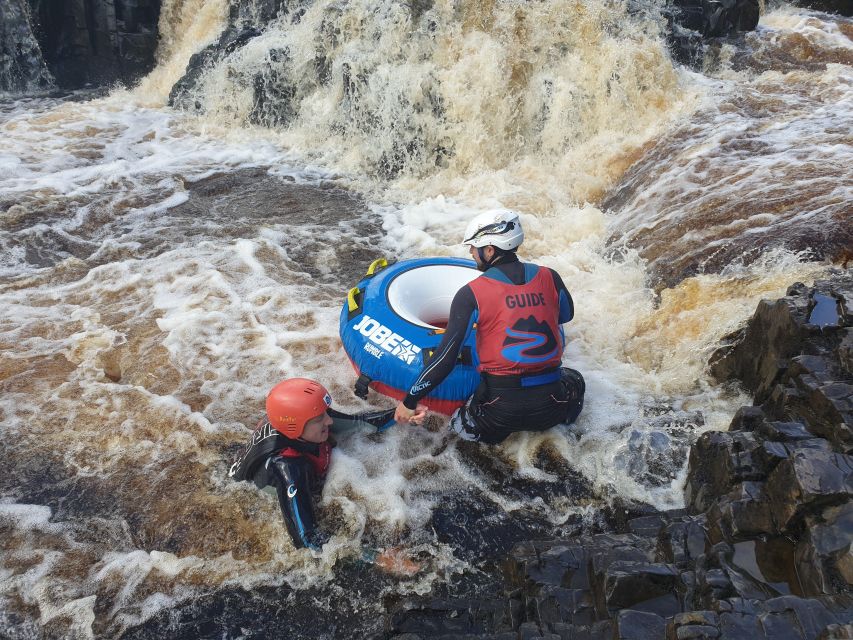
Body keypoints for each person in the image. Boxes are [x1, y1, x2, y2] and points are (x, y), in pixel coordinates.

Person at [394, 210, 585, 444]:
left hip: (500, 412)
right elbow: (565, 316)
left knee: (459, 424)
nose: (471, 252)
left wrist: (409, 401)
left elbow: (445, 358)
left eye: (474, 247)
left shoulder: (470, 293)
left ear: (490, 250)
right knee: (575, 379)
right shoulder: (551, 277)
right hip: (553, 406)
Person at [229, 378, 396, 550]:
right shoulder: (289, 467)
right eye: (319, 418)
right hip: (258, 487)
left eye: (326, 413)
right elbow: (306, 540)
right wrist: (375, 555)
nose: (329, 421)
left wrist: (403, 412)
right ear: (295, 427)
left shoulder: (303, 419)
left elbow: (363, 422)